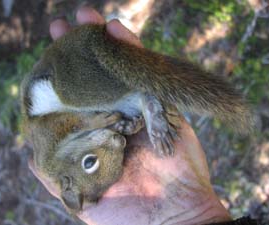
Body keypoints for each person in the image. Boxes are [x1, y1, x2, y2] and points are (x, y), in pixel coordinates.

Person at [28, 7, 258, 225]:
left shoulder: (49, 160)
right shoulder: (86, 149)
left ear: (68, 180)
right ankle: (144, 101)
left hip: (63, 72)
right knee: (112, 112)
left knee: (76, 95)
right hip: (95, 100)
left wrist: (88, 123)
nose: (114, 143)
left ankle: (142, 95)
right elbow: (103, 137)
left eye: (91, 161)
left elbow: (55, 125)